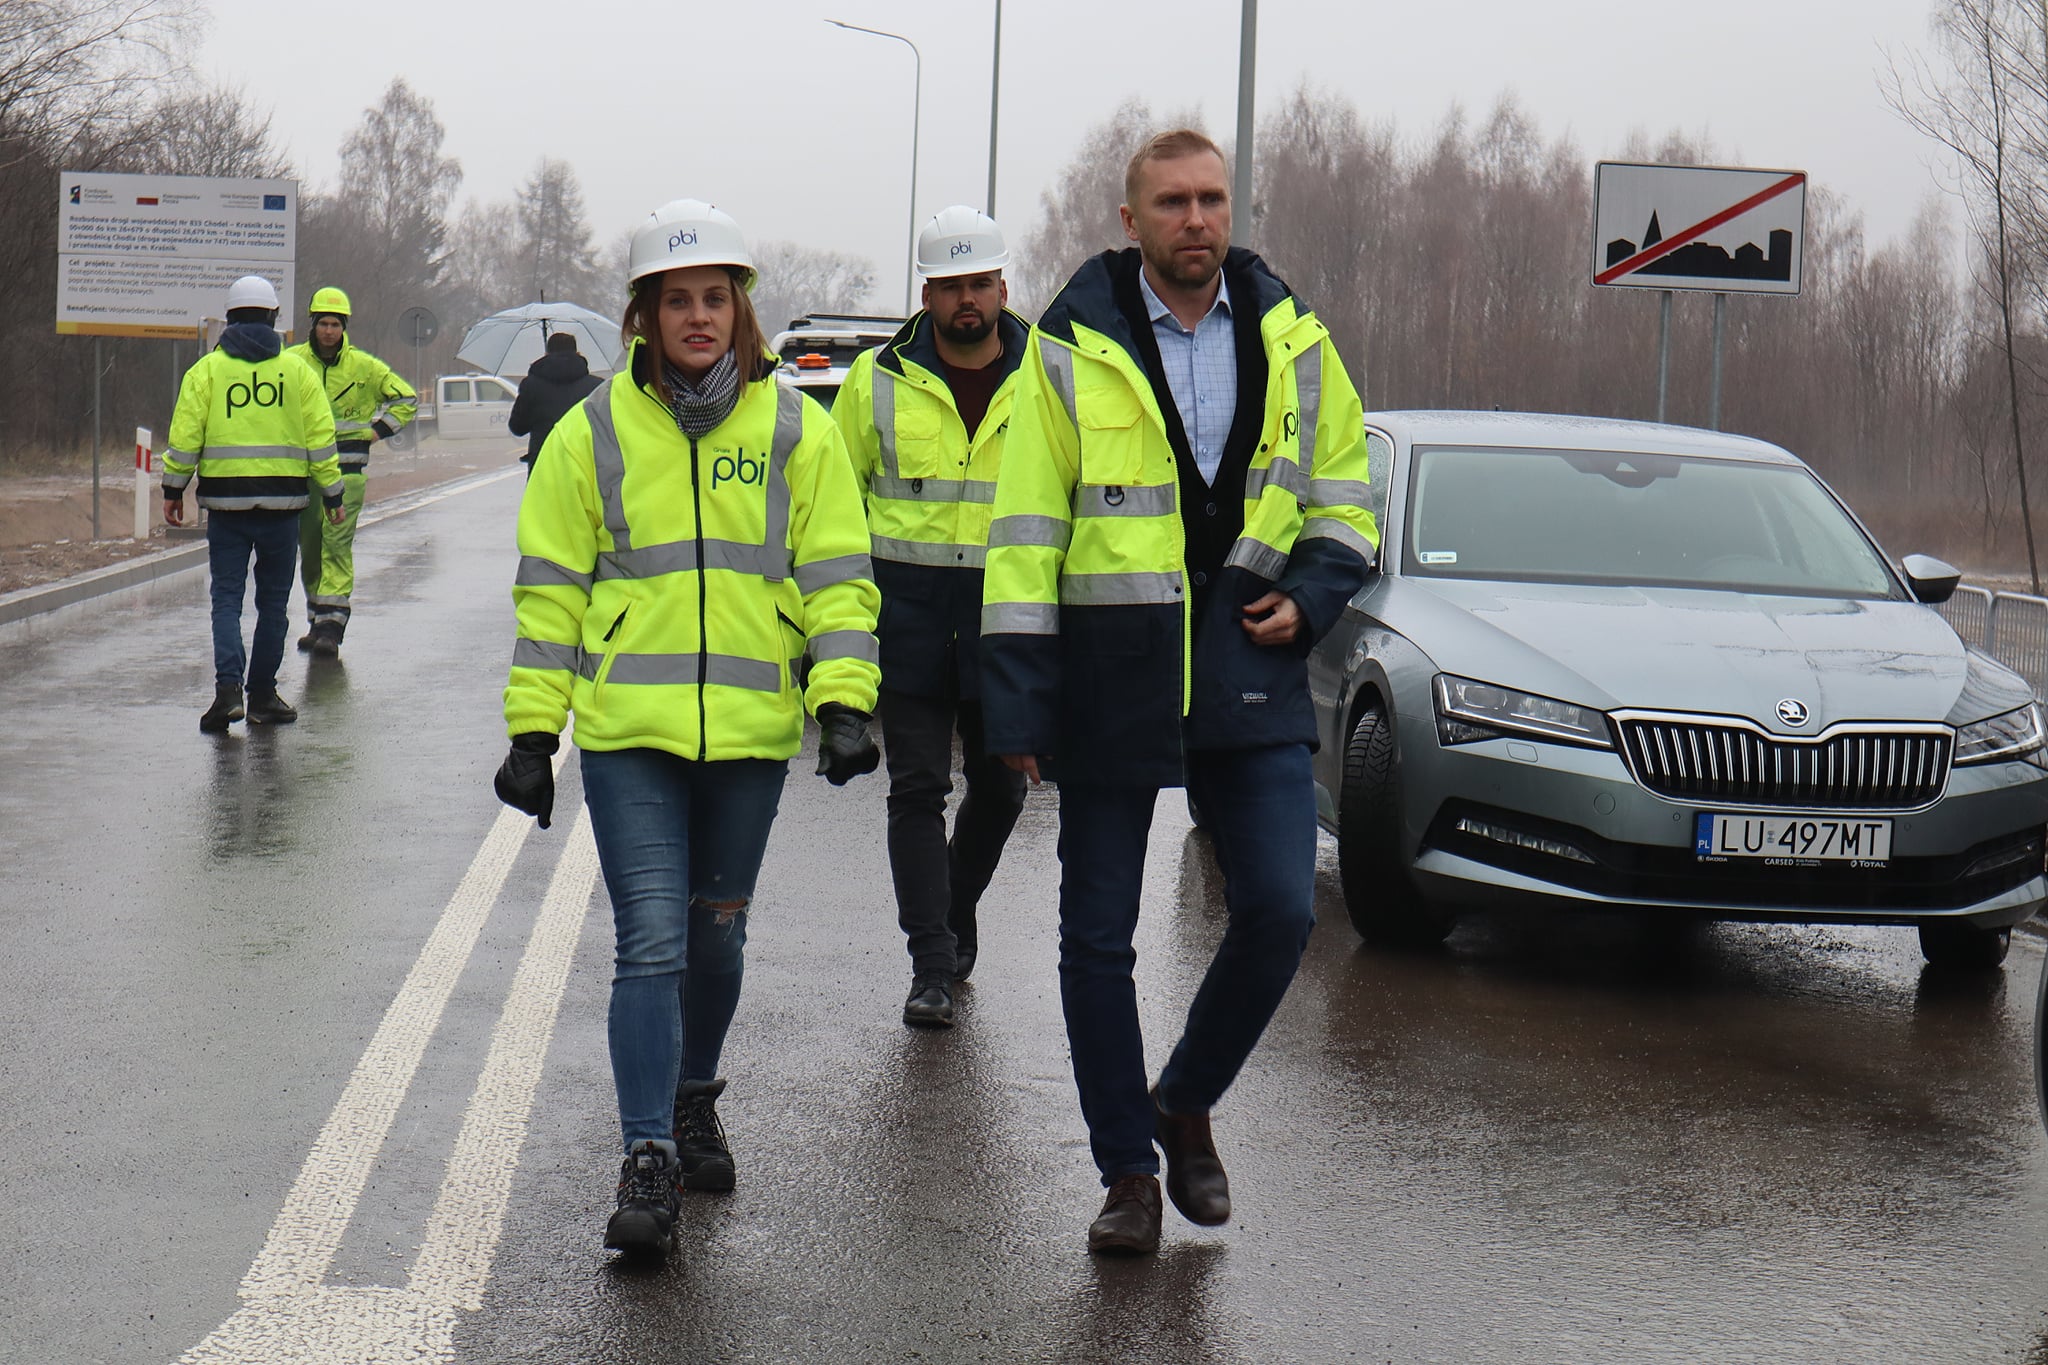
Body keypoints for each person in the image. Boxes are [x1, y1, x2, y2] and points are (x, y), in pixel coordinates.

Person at [981, 129, 1379, 1254]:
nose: (1195, 219)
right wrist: (1016, 707)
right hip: (1112, 671)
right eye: (1171, 202)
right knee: (1095, 938)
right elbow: (1022, 538)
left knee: (1279, 909)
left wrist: (1311, 597)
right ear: (1130, 221)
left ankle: (1184, 1098)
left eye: (1210, 200)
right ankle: (1124, 1174)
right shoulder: (1067, 347)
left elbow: (1345, 497)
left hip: (1247, 660)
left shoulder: (1294, 340)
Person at [494, 199, 881, 1260]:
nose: (699, 317)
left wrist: (842, 697)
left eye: (716, 298)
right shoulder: (593, 434)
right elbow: (550, 590)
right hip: (630, 734)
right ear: (645, 315)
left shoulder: (800, 429)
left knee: (718, 936)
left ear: (741, 311)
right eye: (679, 300)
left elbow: (838, 575)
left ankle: (696, 1093)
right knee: (651, 941)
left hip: (752, 735)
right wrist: (535, 733)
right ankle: (648, 1156)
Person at [833, 207, 1030, 1030]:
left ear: (1001, 287)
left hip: (1007, 623)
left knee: (1002, 787)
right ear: (927, 292)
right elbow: (833, 506)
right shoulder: (875, 382)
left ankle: (953, 906)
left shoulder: (1047, 380)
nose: (965, 301)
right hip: (907, 622)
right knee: (917, 787)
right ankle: (932, 966)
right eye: (950, 287)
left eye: (978, 283)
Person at [164, 275, 345, 733]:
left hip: (226, 508)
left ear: (230, 318)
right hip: (284, 508)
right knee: (272, 604)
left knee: (226, 600)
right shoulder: (297, 372)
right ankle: (262, 696)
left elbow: (185, 436)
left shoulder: (206, 371)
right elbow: (321, 439)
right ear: (272, 319)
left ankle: (228, 694)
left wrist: (172, 488)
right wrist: (333, 492)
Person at [284, 286, 417, 658]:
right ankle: (317, 617)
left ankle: (332, 625)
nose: (328, 330)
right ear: (313, 324)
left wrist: (376, 432)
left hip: (348, 471)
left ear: (344, 327)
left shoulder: (365, 367)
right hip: (305, 473)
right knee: (310, 546)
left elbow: (406, 399)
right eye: (323, 323)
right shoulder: (292, 362)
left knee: (336, 544)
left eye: (335, 324)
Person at [509, 330, 603, 474]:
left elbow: (517, 427)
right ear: (577, 353)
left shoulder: (531, 385)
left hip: (544, 463)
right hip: (585, 463)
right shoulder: (597, 387)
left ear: (547, 354)